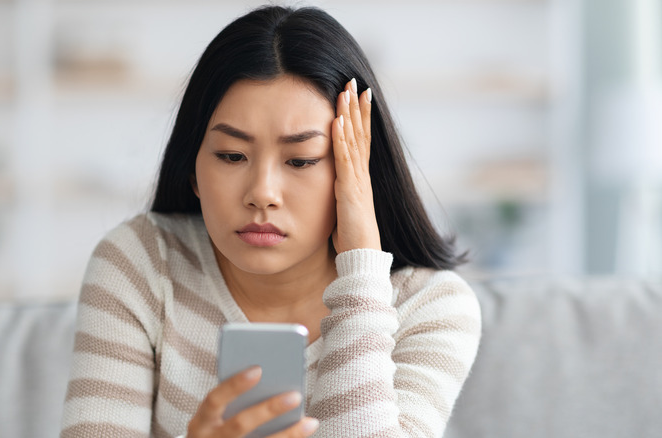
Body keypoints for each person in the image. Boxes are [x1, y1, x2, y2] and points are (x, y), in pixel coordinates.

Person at [60, 5, 481, 438]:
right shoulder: (141, 263)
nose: (262, 192)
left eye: (300, 160)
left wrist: (361, 276)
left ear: (355, 171)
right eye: (231, 155)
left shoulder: (432, 308)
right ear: (193, 170)